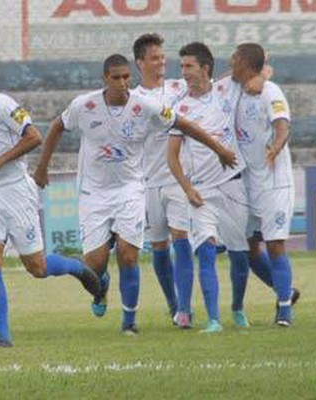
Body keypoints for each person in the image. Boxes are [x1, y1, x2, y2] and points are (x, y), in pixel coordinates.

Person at [33, 54, 237, 335]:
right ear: (105, 78)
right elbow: (57, 126)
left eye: (126, 77)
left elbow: (183, 124)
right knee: (94, 265)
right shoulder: (85, 105)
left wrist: (220, 149)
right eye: (115, 77)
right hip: (93, 192)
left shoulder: (144, 106)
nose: (122, 83)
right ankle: (99, 288)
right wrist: (43, 168)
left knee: (128, 256)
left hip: (129, 190)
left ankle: (129, 322)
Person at [0, 56, 102, 348]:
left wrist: (0, 160)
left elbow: (34, 137)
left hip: (17, 191)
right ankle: (3, 337)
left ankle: (78, 268)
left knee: (38, 268)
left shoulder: (2, 105)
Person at [168, 42, 251, 333]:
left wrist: (262, 70)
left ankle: (238, 307)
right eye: (181, 67)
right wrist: (187, 188)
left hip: (232, 184)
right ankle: (213, 319)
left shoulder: (228, 88)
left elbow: (260, 63)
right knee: (205, 250)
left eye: (188, 66)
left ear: (205, 68)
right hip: (201, 190)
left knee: (241, 256)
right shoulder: (180, 107)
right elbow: (172, 157)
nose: (184, 73)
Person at [231, 43, 298, 326]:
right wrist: (260, 73)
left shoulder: (270, 90)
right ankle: (285, 291)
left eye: (234, 59)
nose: (230, 63)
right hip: (247, 182)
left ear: (245, 63)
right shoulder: (234, 89)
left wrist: (277, 146)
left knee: (275, 244)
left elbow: (283, 125)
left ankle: (284, 310)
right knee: (247, 248)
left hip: (274, 182)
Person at [131, 33, 190, 324]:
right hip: (149, 181)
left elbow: (213, 86)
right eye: (154, 58)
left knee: (181, 237)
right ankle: (172, 302)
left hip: (177, 180)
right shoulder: (135, 100)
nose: (161, 62)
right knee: (158, 246)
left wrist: (258, 71)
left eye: (163, 57)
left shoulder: (180, 87)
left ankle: (184, 308)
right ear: (140, 62)